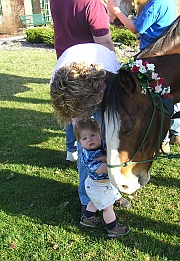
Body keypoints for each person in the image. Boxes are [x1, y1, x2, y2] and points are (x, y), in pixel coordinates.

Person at [50, 43, 132, 218]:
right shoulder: (60, 86)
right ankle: (87, 199)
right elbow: (75, 121)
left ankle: (112, 192)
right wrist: (83, 135)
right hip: (80, 94)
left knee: (110, 143)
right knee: (86, 148)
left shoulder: (110, 75)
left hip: (102, 88)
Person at [107, 0, 180, 151]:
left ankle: (164, 139)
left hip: (153, 55)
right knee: (170, 94)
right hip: (166, 52)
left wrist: (116, 11)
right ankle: (177, 133)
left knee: (157, 97)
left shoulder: (156, 4)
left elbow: (136, 29)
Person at [50, 0, 115, 162]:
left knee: (71, 110)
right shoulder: (92, 3)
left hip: (65, 67)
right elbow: (104, 42)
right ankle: (91, 171)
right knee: (91, 124)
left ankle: (71, 149)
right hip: (89, 73)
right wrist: (113, 64)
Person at [73, 118, 129, 237]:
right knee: (108, 208)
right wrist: (114, 164)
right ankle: (113, 228)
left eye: (93, 135)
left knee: (95, 201)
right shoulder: (86, 155)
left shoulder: (103, 144)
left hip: (102, 185)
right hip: (98, 185)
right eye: (84, 138)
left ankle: (87, 219)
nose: (90, 140)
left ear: (100, 134)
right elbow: (99, 169)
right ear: (80, 142)